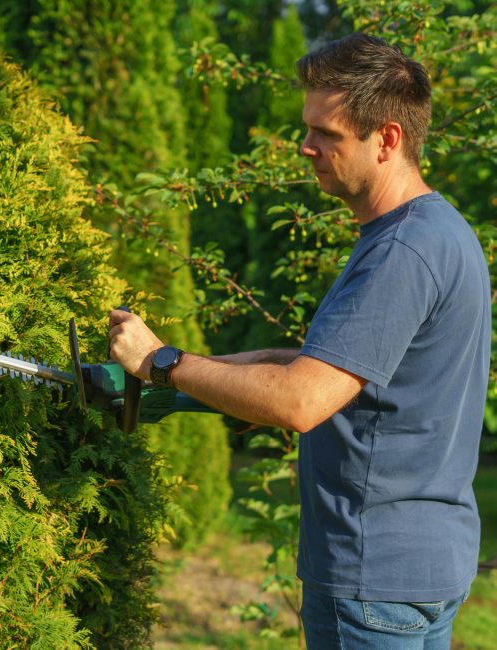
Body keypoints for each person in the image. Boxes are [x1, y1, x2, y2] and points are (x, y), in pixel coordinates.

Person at [108, 33, 491, 649]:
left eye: (327, 134)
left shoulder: (400, 251)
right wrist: (187, 381)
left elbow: (300, 401)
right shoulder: (441, 232)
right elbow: (328, 370)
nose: (305, 146)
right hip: (424, 567)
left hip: (371, 577)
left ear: (387, 139)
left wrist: (161, 361)